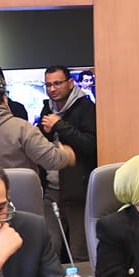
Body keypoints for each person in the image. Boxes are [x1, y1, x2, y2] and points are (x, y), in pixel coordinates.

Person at [39, 65, 97, 259]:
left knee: (80, 251)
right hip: (51, 188)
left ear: (70, 83)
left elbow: (90, 145)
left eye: (57, 83)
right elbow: (42, 145)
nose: (52, 89)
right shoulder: (47, 107)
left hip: (78, 190)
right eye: (48, 85)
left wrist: (60, 125)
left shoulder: (86, 108)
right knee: (49, 248)